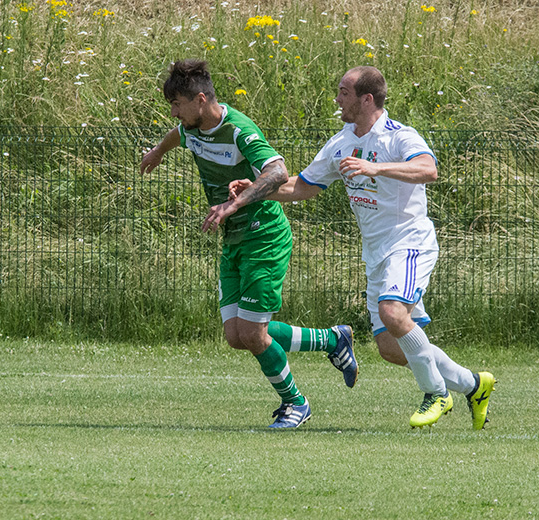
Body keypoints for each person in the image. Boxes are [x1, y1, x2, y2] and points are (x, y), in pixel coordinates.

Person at [205, 66, 495, 429]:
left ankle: (436, 392)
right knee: (392, 348)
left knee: (392, 312)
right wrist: (254, 190)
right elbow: (302, 187)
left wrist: (376, 169)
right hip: (376, 253)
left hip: (409, 242)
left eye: (344, 92)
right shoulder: (340, 142)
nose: (337, 99)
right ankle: (473, 385)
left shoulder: (398, 136)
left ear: (366, 99)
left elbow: (428, 169)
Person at [139, 59, 358, 429]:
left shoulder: (239, 130)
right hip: (234, 235)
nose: (174, 113)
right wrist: (158, 152)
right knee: (236, 335)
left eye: (177, 105)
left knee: (253, 333)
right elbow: (179, 134)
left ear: (201, 99)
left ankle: (296, 404)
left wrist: (236, 202)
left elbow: (278, 172)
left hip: (264, 234)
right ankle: (332, 339)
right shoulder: (191, 127)